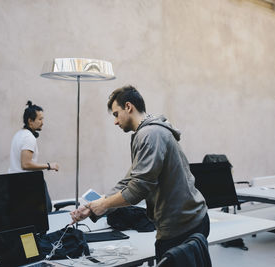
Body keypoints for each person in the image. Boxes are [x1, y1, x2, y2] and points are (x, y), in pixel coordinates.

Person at [70, 85, 211, 263]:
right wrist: (92, 207)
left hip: (181, 227)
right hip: (189, 220)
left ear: (128, 107)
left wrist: (104, 205)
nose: (115, 121)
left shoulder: (150, 134)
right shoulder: (150, 132)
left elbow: (138, 189)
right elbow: (129, 182)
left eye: (115, 114)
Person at [9, 101, 59, 212]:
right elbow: (25, 164)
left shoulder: (19, 134)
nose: (42, 122)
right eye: (40, 119)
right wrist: (49, 165)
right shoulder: (28, 138)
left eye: (43, 119)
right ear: (30, 121)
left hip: (16, 183)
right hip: (26, 185)